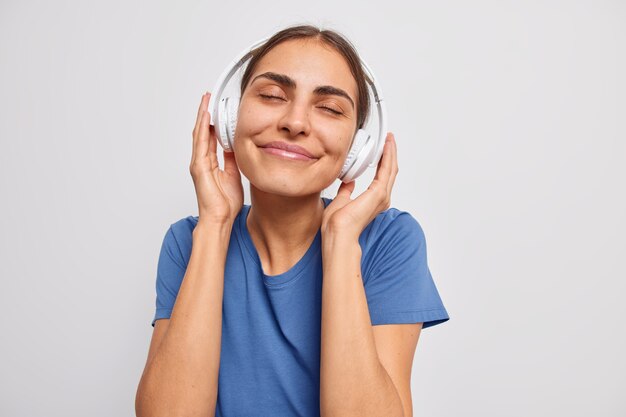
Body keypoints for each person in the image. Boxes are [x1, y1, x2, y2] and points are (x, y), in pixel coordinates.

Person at [136, 24, 449, 417]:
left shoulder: (388, 241)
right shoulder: (190, 240)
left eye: (330, 109)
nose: (295, 122)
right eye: (271, 95)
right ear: (230, 118)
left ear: (357, 150)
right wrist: (215, 225)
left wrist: (340, 240)